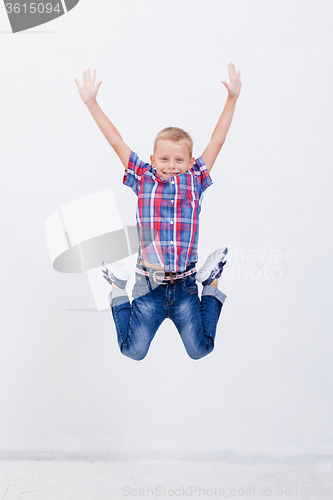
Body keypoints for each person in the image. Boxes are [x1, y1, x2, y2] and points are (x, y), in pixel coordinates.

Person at [75, 64, 241, 360]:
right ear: (153, 159)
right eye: (164, 158)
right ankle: (117, 284)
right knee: (132, 351)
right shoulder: (142, 177)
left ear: (190, 162)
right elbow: (115, 140)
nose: (171, 165)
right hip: (147, 285)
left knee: (200, 349)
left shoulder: (195, 179)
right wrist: (91, 102)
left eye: (179, 159)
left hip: (186, 288)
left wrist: (232, 99)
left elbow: (218, 139)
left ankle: (211, 278)